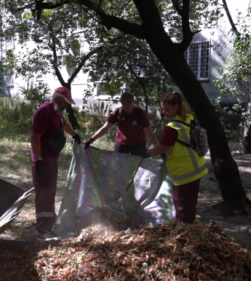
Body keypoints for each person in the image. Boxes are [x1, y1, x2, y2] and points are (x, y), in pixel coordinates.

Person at [143, 92, 208, 224]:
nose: (164, 112)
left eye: (167, 109)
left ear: (176, 107)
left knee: (182, 205)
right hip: (196, 168)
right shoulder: (188, 118)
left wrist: (147, 153)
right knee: (190, 204)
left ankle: (186, 232)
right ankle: (191, 228)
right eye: (162, 109)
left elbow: (162, 147)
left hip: (185, 172)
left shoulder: (172, 128)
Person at [31, 87, 81, 240]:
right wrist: (38, 160)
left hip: (52, 159)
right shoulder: (44, 112)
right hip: (42, 160)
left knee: (50, 191)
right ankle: (43, 228)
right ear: (57, 99)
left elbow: (63, 125)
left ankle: (49, 221)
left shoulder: (57, 112)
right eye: (65, 103)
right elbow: (34, 137)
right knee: (44, 192)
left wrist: (75, 135)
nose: (66, 106)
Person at [84, 92, 158, 156]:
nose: (126, 105)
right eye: (123, 103)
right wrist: (90, 140)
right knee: (117, 167)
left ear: (133, 102)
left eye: (128, 103)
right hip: (122, 145)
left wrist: (158, 149)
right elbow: (105, 128)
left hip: (138, 145)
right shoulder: (118, 112)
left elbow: (149, 133)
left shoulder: (140, 113)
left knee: (138, 169)